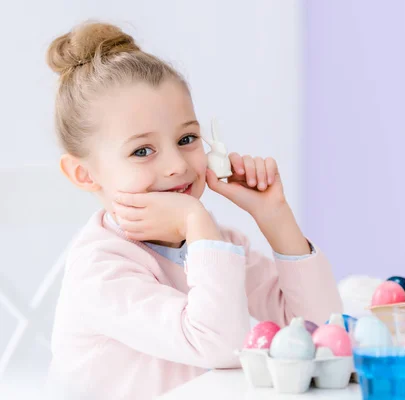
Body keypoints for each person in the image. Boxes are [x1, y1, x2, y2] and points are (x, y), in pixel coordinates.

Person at [45, 21, 343, 400]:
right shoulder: (100, 269)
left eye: (186, 139)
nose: (176, 165)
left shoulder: (211, 243)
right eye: (142, 151)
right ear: (84, 174)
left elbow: (323, 330)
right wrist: (196, 220)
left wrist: (275, 216)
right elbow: (217, 345)